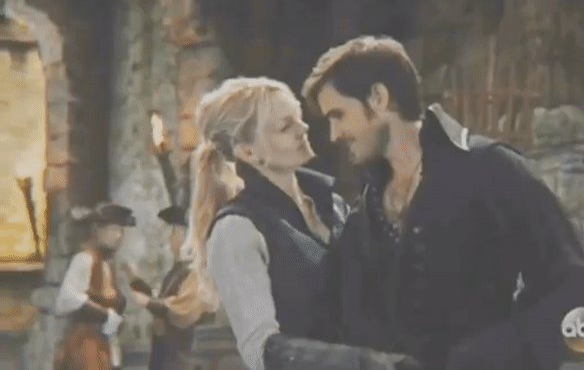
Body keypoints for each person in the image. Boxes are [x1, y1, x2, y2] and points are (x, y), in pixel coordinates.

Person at [301, 35, 584, 370]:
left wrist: (495, 354)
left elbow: (570, 279)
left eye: (338, 114)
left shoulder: (490, 168)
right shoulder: (364, 215)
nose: (334, 134)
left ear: (378, 98)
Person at [193, 76, 425, 370]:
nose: (303, 129)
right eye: (285, 126)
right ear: (248, 151)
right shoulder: (237, 229)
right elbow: (260, 350)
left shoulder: (333, 205)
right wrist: (370, 364)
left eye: (299, 118)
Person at [122, 205, 209, 370]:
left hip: (181, 354)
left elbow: (181, 306)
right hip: (166, 352)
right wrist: (136, 281)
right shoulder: (177, 270)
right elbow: (161, 301)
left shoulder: (194, 271)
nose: (169, 240)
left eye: (172, 233)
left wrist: (148, 302)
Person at [54, 202, 136, 370]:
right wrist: (105, 315)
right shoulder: (84, 260)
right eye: (113, 230)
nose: (118, 236)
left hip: (105, 346)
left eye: (121, 231)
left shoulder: (109, 265)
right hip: (85, 346)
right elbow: (68, 297)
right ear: (98, 231)